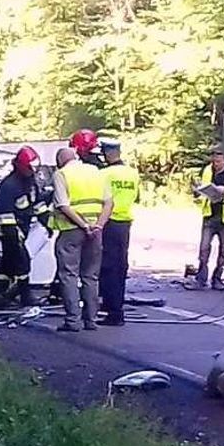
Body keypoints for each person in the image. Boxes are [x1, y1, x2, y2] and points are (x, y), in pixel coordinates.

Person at [51, 147, 112, 332]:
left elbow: (63, 204)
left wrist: (83, 225)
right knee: (90, 276)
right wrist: (99, 225)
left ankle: (73, 320)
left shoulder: (61, 174)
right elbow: (109, 202)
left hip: (72, 230)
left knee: (69, 275)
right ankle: (91, 320)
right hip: (96, 231)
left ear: (60, 161)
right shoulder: (96, 172)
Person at [0, 146, 52, 307]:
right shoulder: (9, 185)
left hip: (22, 229)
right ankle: (25, 296)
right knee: (22, 263)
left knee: (7, 265)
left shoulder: (30, 182)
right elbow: (4, 214)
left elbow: (38, 204)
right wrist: (12, 236)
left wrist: (47, 221)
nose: (32, 172)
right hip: (10, 231)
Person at [97, 140, 140, 326]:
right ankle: (115, 305)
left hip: (108, 222)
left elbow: (100, 198)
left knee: (108, 267)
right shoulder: (133, 173)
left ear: (106, 153)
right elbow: (136, 197)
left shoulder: (103, 173)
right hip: (125, 223)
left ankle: (112, 310)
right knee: (120, 266)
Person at [192, 146, 224, 291]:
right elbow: (202, 188)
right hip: (209, 215)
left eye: (219, 161)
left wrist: (223, 190)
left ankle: (217, 278)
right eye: (214, 161)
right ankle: (201, 278)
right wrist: (197, 191)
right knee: (204, 249)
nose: (216, 164)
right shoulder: (207, 171)